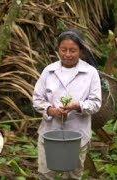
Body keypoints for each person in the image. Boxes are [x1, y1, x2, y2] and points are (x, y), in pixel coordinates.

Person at [32, 29, 102, 179]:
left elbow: (96, 103)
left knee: (73, 175)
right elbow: (37, 99)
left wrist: (77, 106)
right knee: (45, 174)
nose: (67, 54)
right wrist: (50, 110)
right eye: (63, 50)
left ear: (81, 51)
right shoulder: (49, 71)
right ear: (58, 50)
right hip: (49, 132)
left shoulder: (90, 73)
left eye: (73, 50)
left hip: (78, 135)